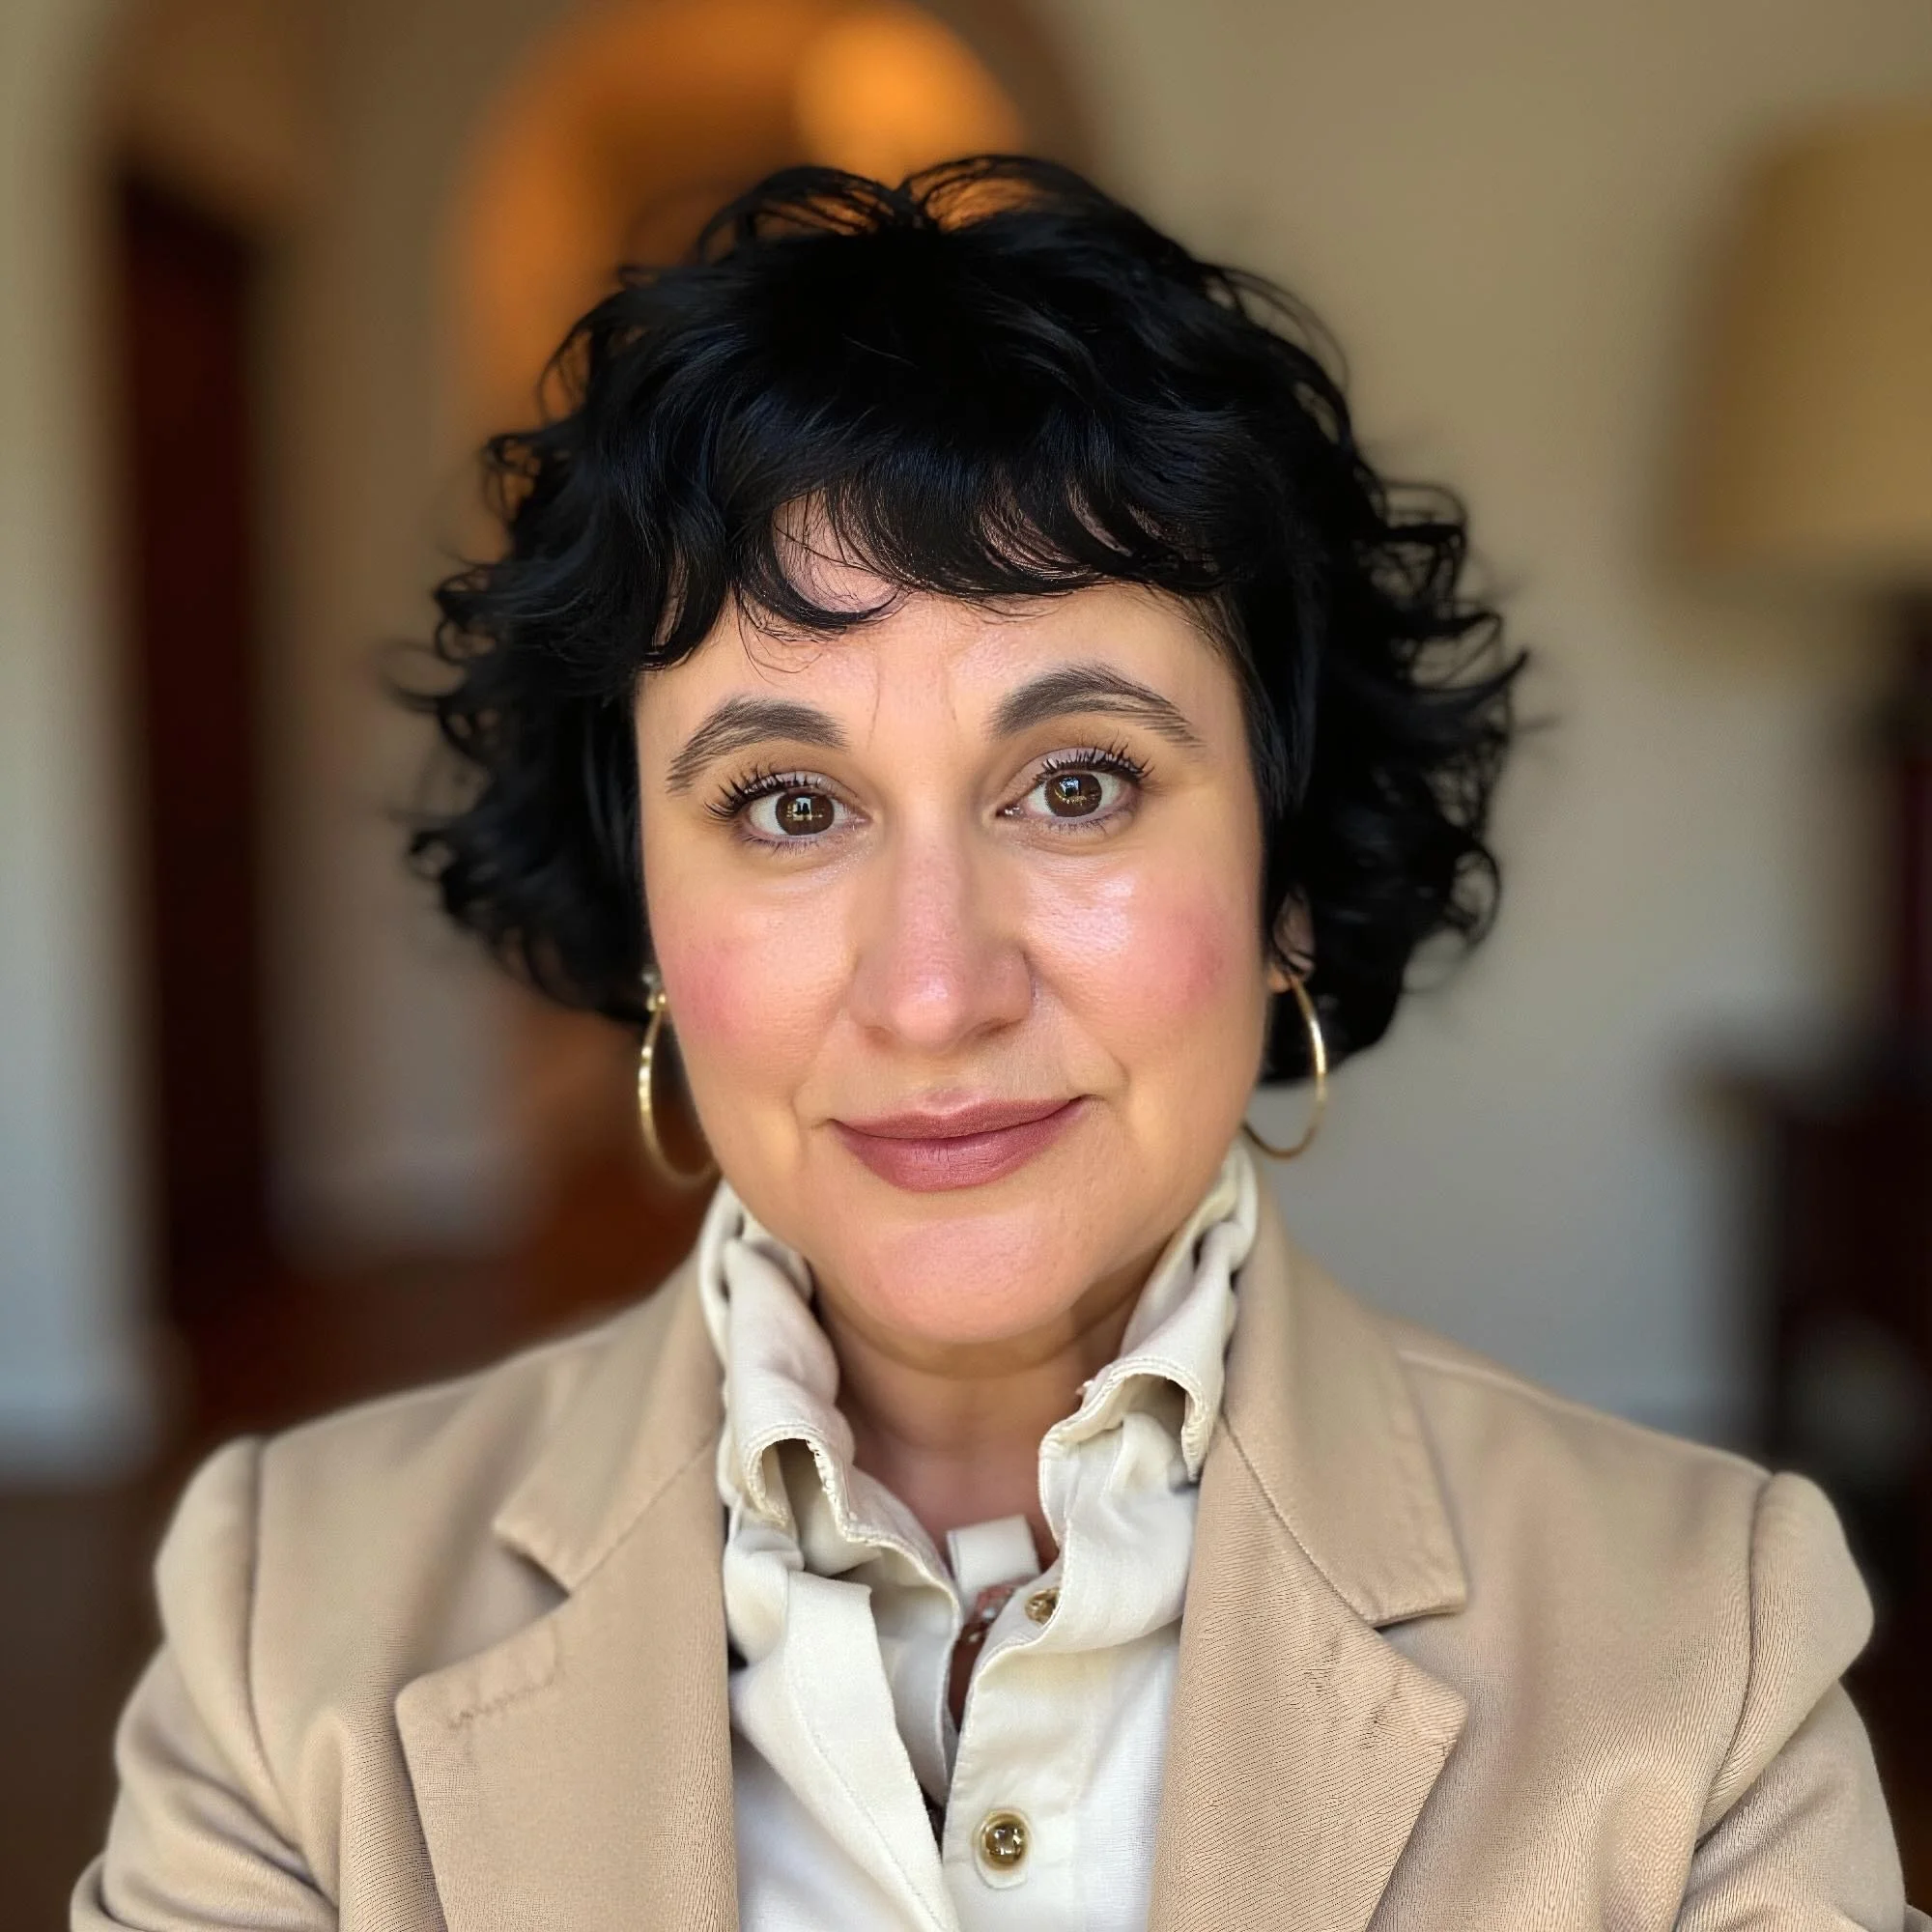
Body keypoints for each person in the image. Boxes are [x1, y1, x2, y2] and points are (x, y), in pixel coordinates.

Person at [76, 157, 1923, 1931]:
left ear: (1284, 878)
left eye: (1078, 783)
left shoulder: (1709, 1639)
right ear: (645, 919)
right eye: (790, 805)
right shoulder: (283, 1621)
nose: (935, 989)